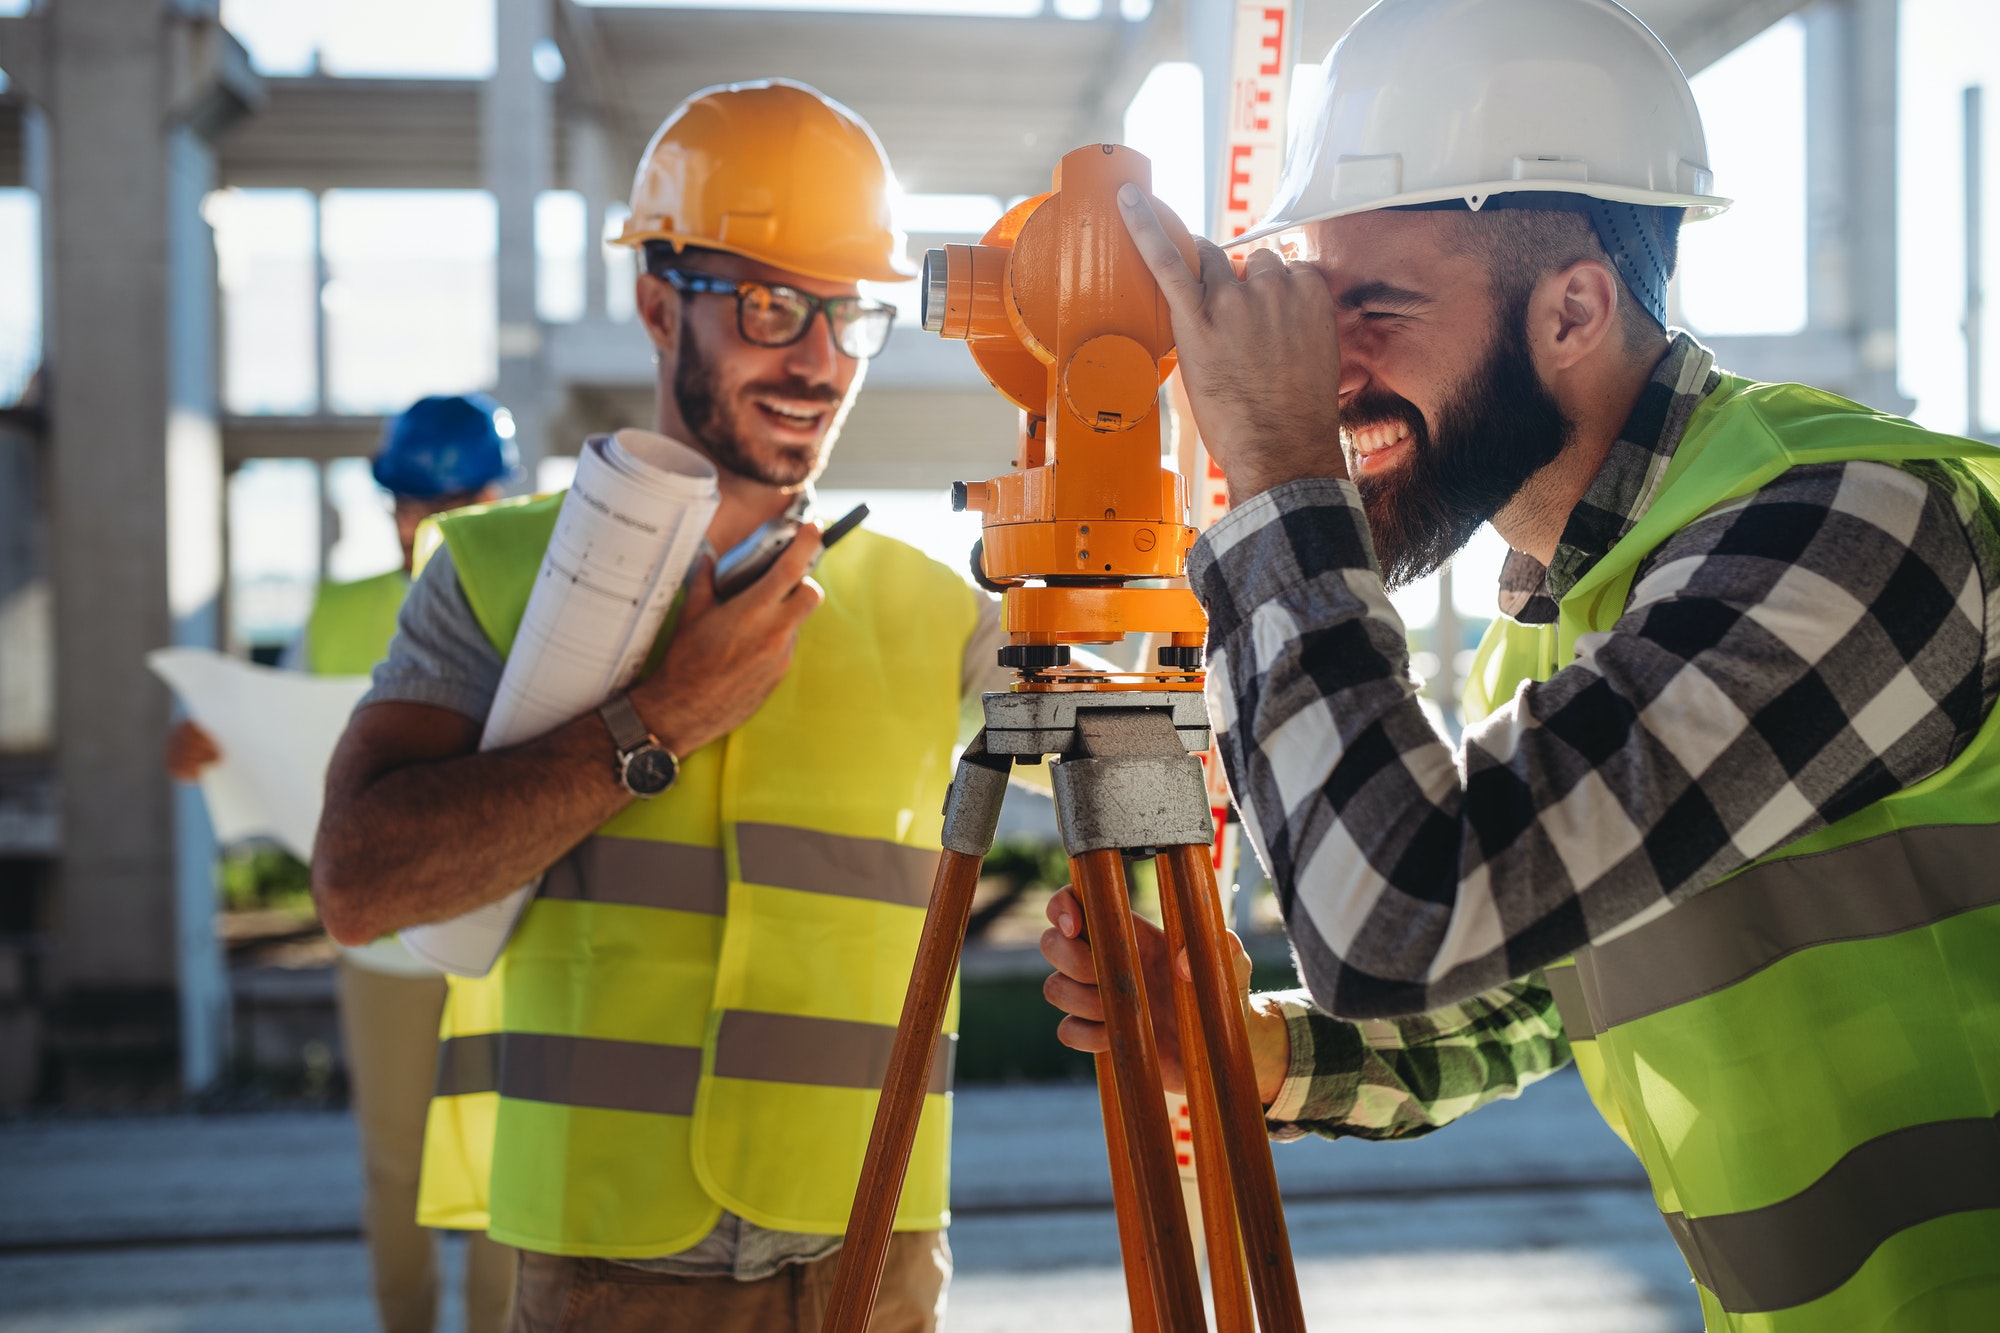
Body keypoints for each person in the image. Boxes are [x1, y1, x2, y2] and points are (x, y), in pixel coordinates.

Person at [1039, 1, 2000, 1328]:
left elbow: (1400, 917)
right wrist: (1247, 1048)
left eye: (1373, 305)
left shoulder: (1849, 531)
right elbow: (1523, 1004)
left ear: (1574, 310)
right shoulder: (1565, 620)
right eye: (1317, 306)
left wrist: (1275, 480)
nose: (1325, 367)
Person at [312, 79, 1014, 1333]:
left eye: (847, 316)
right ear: (654, 302)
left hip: (876, 1254)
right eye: (767, 305)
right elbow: (362, 881)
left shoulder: (931, 609)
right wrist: (651, 724)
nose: (814, 360)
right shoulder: (495, 573)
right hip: (608, 1263)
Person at [168, 391, 521, 1333]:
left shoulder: (542, 609)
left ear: (499, 498)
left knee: (503, 1171)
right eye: (412, 503)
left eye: (450, 505)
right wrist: (214, 746)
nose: (428, 524)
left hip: (509, 940)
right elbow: (279, 734)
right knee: (395, 1168)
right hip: (386, 946)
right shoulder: (345, 609)